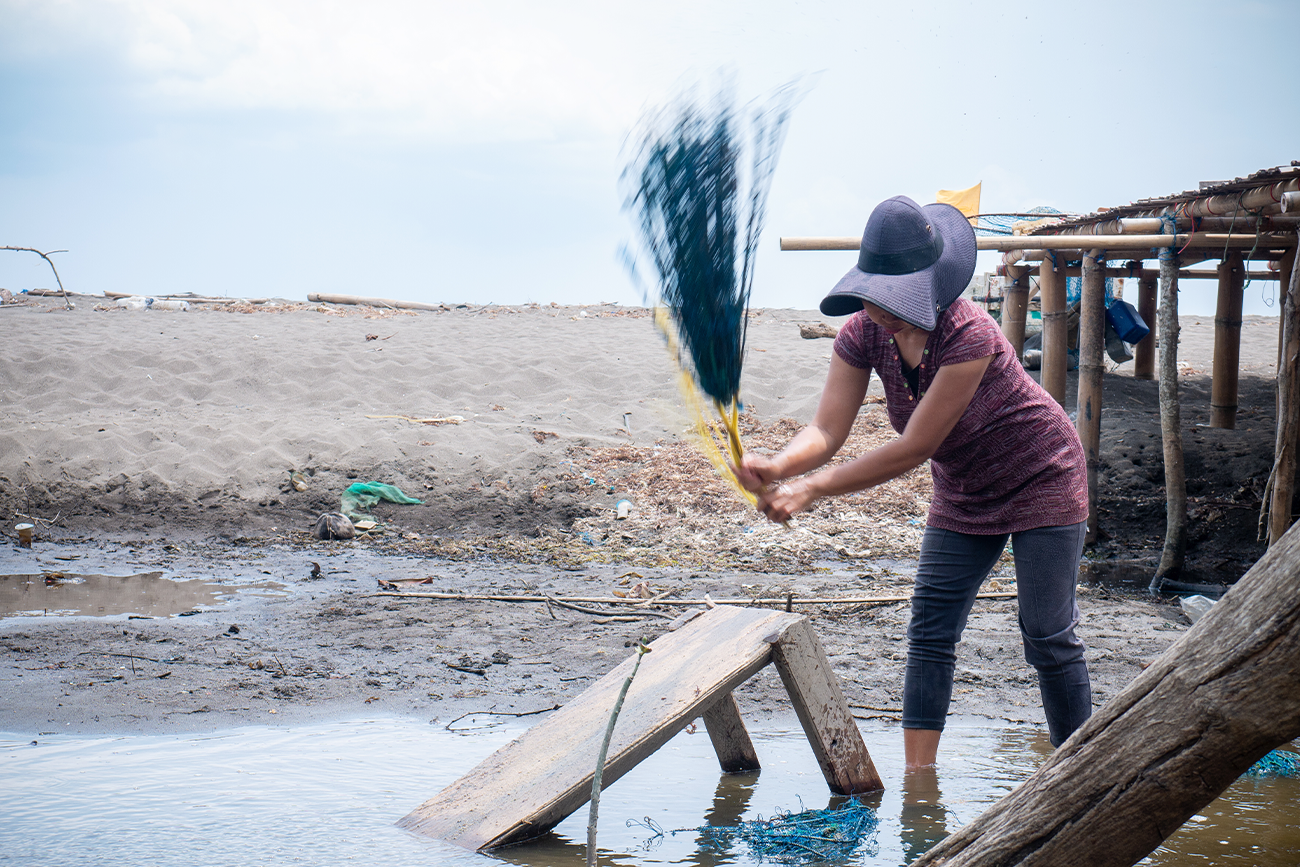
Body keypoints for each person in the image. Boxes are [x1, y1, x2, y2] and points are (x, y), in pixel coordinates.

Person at [733, 195, 1091, 769]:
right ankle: (918, 783)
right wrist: (778, 468)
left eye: (902, 301)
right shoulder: (860, 335)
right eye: (878, 297)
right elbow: (826, 429)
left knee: (1046, 634)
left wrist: (813, 489)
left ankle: (1081, 768)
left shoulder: (968, 334)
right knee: (930, 628)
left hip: (1041, 472)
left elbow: (915, 447)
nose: (885, 312)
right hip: (966, 485)